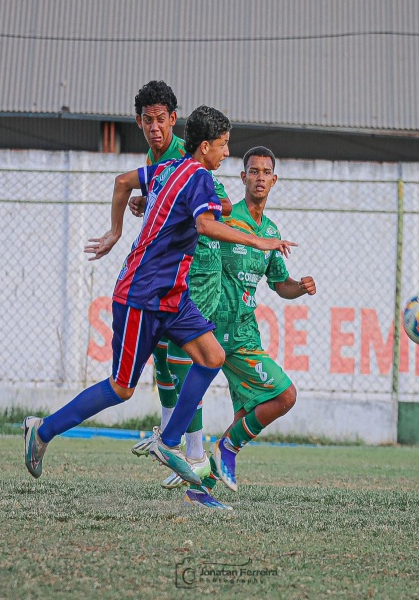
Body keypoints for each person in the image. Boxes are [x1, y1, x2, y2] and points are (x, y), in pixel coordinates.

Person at [22, 108, 296, 487]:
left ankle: (170, 442)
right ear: (205, 147)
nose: (226, 153)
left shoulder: (168, 168)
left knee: (213, 356)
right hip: (143, 293)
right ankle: (42, 430)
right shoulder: (199, 176)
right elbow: (205, 224)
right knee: (122, 387)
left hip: (173, 294)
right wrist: (256, 239)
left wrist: (123, 222)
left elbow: (125, 183)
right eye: (223, 145)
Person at [185, 146, 316, 503]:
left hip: (245, 331)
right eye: (253, 171)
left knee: (247, 412)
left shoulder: (270, 231)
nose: (259, 178)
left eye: (265, 172)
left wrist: (299, 289)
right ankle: (226, 447)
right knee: (285, 394)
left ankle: (200, 490)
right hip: (217, 328)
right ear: (243, 178)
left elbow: (279, 284)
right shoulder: (227, 219)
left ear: (274, 180)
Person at [126, 82, 231, 500]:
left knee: (183, 359)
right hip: (166, 273)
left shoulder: (183, 157)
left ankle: (192, 452)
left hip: (197, 270)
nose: (155, 127)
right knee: (162, 364)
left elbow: (220, 204)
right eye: (147, 120)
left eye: (161, 119)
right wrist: (143, 202)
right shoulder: (154, 158)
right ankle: (172, 447)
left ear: (174, 119)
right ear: (140, 122)